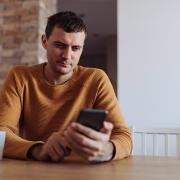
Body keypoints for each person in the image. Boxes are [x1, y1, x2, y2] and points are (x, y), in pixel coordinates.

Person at [0, 11, 132, 163]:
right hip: (33, 168)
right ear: (44, 42)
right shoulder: (20, 76)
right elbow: (2, 133)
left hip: (80, 169)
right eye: (60, 45)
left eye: (75, 48)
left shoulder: (96, 79)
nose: (67, 56)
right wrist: (39, 150)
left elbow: (123, 135)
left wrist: (106, 150)